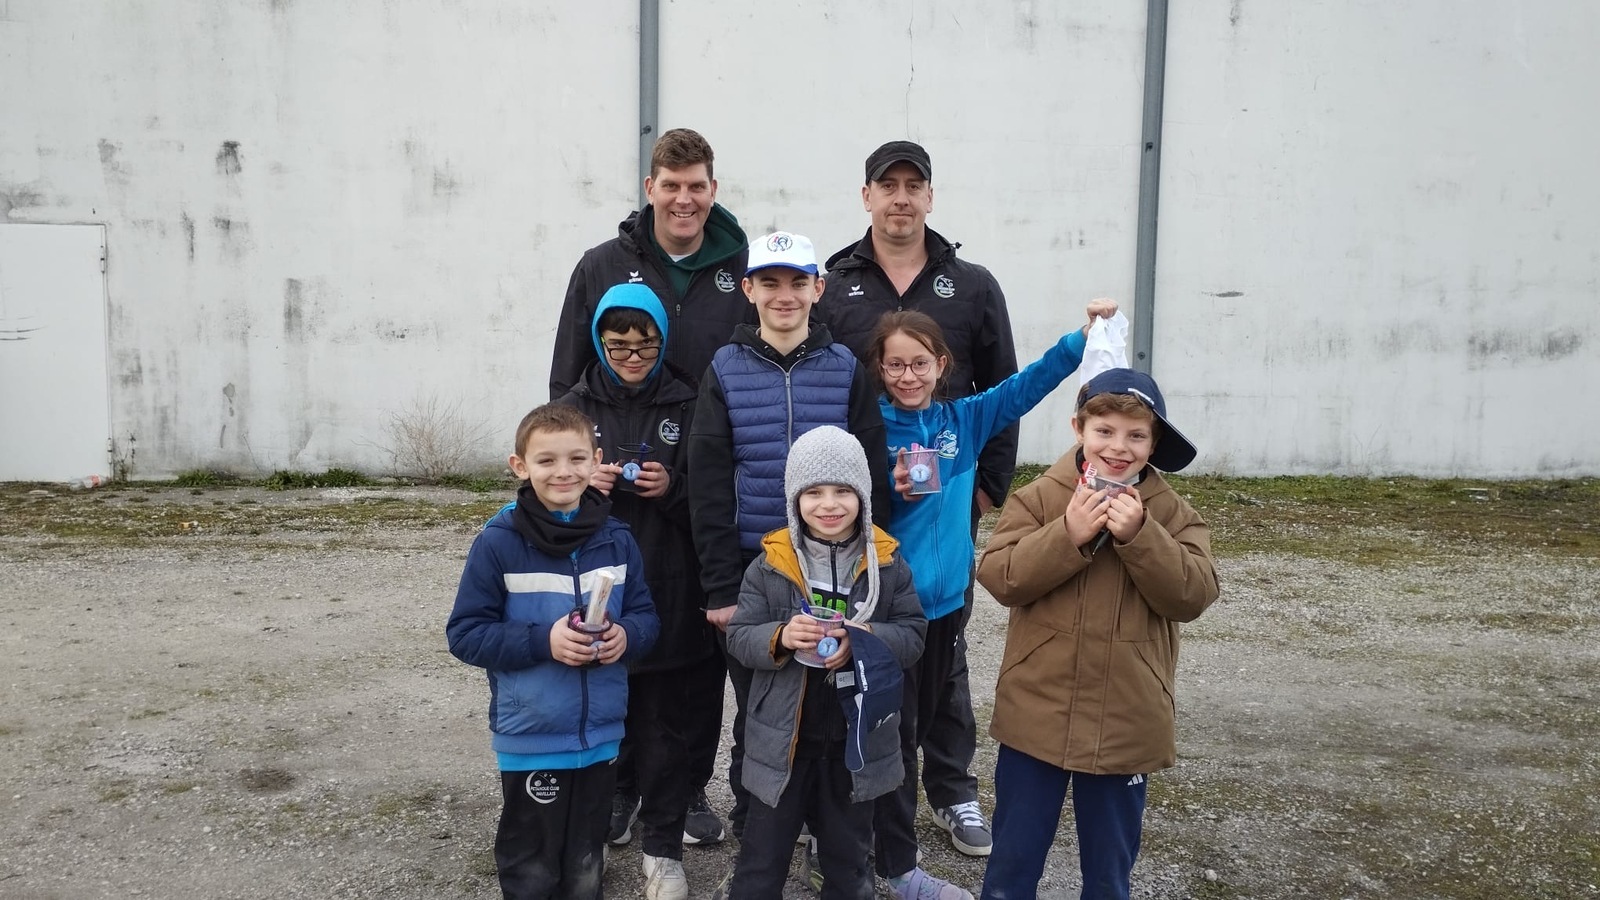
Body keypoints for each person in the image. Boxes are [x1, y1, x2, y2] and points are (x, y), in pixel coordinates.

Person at [861, 301, 1114, 900]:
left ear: (941, 363)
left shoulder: (964, 420)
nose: (907, 376)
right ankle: (891, 858)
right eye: (894, 365)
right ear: (879, 368)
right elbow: (839, 511)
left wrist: (1084, 338)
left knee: (924, 721)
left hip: (946, 605)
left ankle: (895, 836)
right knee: (888, 733)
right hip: (886, 610)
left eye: (919, 363)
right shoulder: (867, 428)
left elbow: (1024, 387)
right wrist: (884, 491)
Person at [817, 139, 1017, 857]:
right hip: (864, 513)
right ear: (865, 195)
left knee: (945, 656)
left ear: (931, 197)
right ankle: (860, 801)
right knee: (865, 657)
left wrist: (988, 489)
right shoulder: (833, 284)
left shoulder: (971, 284)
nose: (900, 197)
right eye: (886, 185)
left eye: (914, 185)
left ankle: (955, 792)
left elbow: (1003, 388)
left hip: (945, 515)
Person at [549, 126, 743, 849]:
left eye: (697, 186)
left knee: (689, 657)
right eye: (672, 185)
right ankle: (622, 785)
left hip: (692, 492)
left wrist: (691, 486)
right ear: (650, 189)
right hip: (608, 510)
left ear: (712, 191)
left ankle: (686, 789)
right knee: (614, 643)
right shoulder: (603, 265)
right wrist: (575, 466)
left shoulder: (742, 268)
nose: (684, 198)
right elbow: (565, 383)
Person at [974, 369, 1220, 900]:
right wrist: (1069, 534)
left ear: (1154, 443)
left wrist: (1140, 535)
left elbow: (1194, 595)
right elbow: (1000, 576)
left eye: (1136, 435)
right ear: (1079, 428)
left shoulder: (1173, 514)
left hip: (1128, 719)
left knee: (1109, 874)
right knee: (1013, 862)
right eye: (1104, 430)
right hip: (1036, 713)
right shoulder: (1040, 497)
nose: (1119, 447)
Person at [689, 230, 892, 841]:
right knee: (760, 708)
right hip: (759, 573)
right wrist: (723, 587)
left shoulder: (844, 367)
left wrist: (871, 569)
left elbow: (870, 472)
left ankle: (827, 829)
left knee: (830, 700)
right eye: (770, 282)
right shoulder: (724, 368)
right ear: (748, 289)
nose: (785, 295)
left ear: (818, 288)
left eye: (798, 282)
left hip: (832, 566)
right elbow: (707, 484)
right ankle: (759, 826)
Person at [445, 402, 662, 900]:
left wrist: (626, 636)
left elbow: (648, 618)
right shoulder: (498, 542)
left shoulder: (617, 540)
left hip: (602, 735)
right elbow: (465, 633)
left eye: (576, 458)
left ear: (596, 460)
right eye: (546, 460)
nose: (563, 471)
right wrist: (545, 640)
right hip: (532, 737)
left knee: (587, 859)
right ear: (519, 466)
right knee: (533, 864)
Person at [717, 425, 926, 900]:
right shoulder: (770, 562)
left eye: (842, 491)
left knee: (850, 861)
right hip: (783, 744)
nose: (828, 505)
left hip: (856, 744)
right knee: (760, 860)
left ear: (863, 496)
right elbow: (741, 637)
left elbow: (913, 636)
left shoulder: (888, 563)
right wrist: (782, 636)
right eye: (813, 492)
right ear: (794, 498)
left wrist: (867, 640)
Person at [553, 283, 705, 900]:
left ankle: (665, 845)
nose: (632, 357)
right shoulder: (573, 406)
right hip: (594, 592)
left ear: (662, 342)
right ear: (598, 342)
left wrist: (670, 485)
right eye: (619, 347)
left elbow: (714, 492)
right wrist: (589, 485)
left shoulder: (691, 399)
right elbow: (545, 492)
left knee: (667, 726)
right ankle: (608, 811)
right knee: (598, 718)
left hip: (670, 584)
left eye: (645, 346)